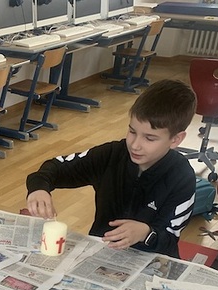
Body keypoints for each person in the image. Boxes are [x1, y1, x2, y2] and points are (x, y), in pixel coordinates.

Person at [25, 79, 197, 258]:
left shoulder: (182, 177)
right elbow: (54, 168)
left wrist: (145, 233)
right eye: (132, 132)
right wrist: (39, 188)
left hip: (150, 259)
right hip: (101, 251)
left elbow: (169, 238)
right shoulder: (111, 155)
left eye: (149, 138)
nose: (135, 145)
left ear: (176, 139)